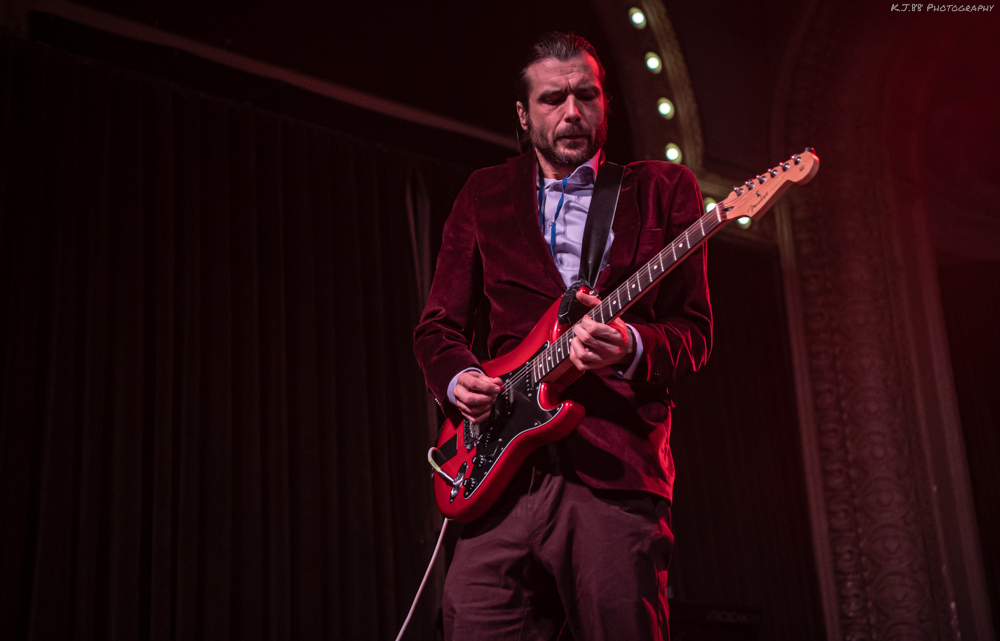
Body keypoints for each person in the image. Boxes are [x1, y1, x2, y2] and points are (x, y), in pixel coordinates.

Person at [413, 32, 712, 641]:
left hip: (614, 473)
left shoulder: (662, 190)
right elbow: (438, 326)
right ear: (523, 116)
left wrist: (630, 346)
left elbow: (694, 332)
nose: (572, 112)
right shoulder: (484, 194)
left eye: (586, 95)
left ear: (605, 105)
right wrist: (459, 378)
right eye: (553, 99)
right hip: (495, 477)